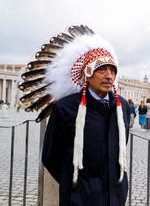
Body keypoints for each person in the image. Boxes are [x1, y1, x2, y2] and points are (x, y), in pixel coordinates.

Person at [37, 25, 130, 205]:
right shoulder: (65, 108)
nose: (109, 76)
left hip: (114, 196)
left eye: (112, 70)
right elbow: (50, 156)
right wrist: (75, 186)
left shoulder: (123, 106)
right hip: (80, 198)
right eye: (101, 70)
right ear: (86, 74)